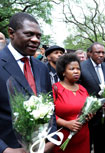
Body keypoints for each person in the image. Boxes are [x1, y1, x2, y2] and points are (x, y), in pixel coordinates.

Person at [0, 12, 56, 153]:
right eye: (29, 34)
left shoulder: (41, 68)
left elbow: (50, 107)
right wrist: (5, 149)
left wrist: (52, 139)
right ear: (11, 33)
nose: (36, 40)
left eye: (38, 36)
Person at [52, 53, 92, 153]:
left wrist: (90, 115)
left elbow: (89, 109)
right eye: (72, 69)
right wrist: (66, 123)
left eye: (78, 69)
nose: (76, 71)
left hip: (83, 137)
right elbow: (48, 115)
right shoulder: (55, 89)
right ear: (63, 72)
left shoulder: (83, 89)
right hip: (63, 138)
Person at [80, 42, 105, 153]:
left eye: (103, 52)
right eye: (98, 52)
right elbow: (78, 89)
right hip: (88, 115)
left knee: (102, 144)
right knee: (87, 145)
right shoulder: (81, 67)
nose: (101, 55)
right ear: (89, 53)